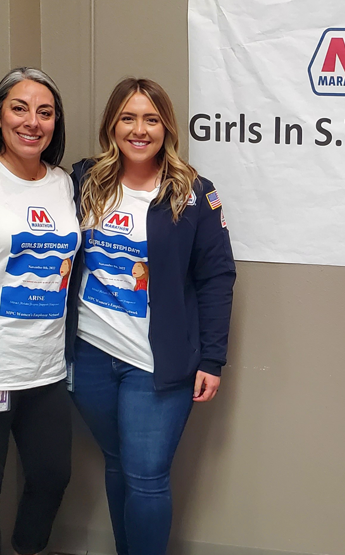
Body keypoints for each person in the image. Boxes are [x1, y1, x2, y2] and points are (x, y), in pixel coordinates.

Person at [64, 77, 236, 555]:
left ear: (167, 127)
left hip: (156, 364)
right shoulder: (83, 181)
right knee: (118, 461)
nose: (139, 130)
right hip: (92, 355)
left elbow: (217, 277)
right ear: (111, 126)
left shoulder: (193, 193)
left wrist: (213, 359)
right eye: (128, 118)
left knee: (146, 475)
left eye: (151, 119)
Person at [0, 67, 79, 555]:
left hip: (45, 367)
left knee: (52, 477)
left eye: (45, 112)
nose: (33, 121)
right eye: (19, 108)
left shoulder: (63, 183)